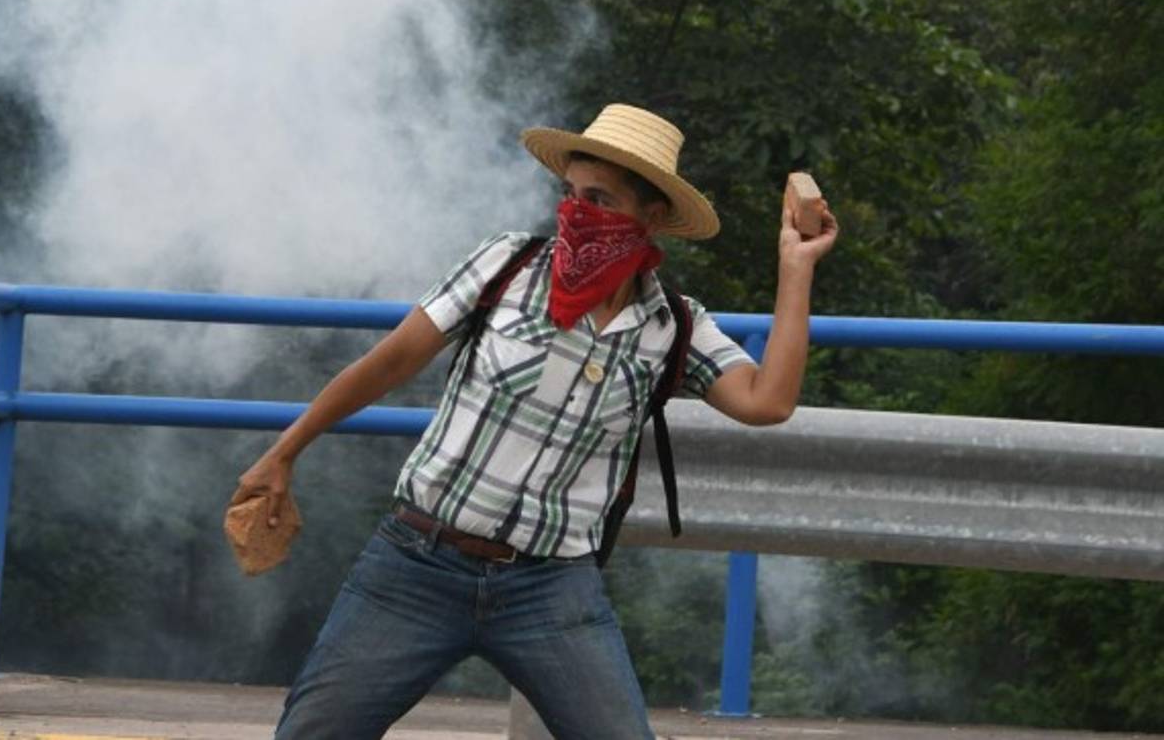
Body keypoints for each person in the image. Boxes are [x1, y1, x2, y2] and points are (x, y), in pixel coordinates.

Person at [232, 104, 838, 738]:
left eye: (599, 198)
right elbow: (390, 362)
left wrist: (796, 268)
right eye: (570, 194)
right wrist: (286, 449)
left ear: (651, 217)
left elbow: (768, 402)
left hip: (551, 588)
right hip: (418, 563)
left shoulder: (673, 327)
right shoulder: (506, 267)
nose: (576, 211)